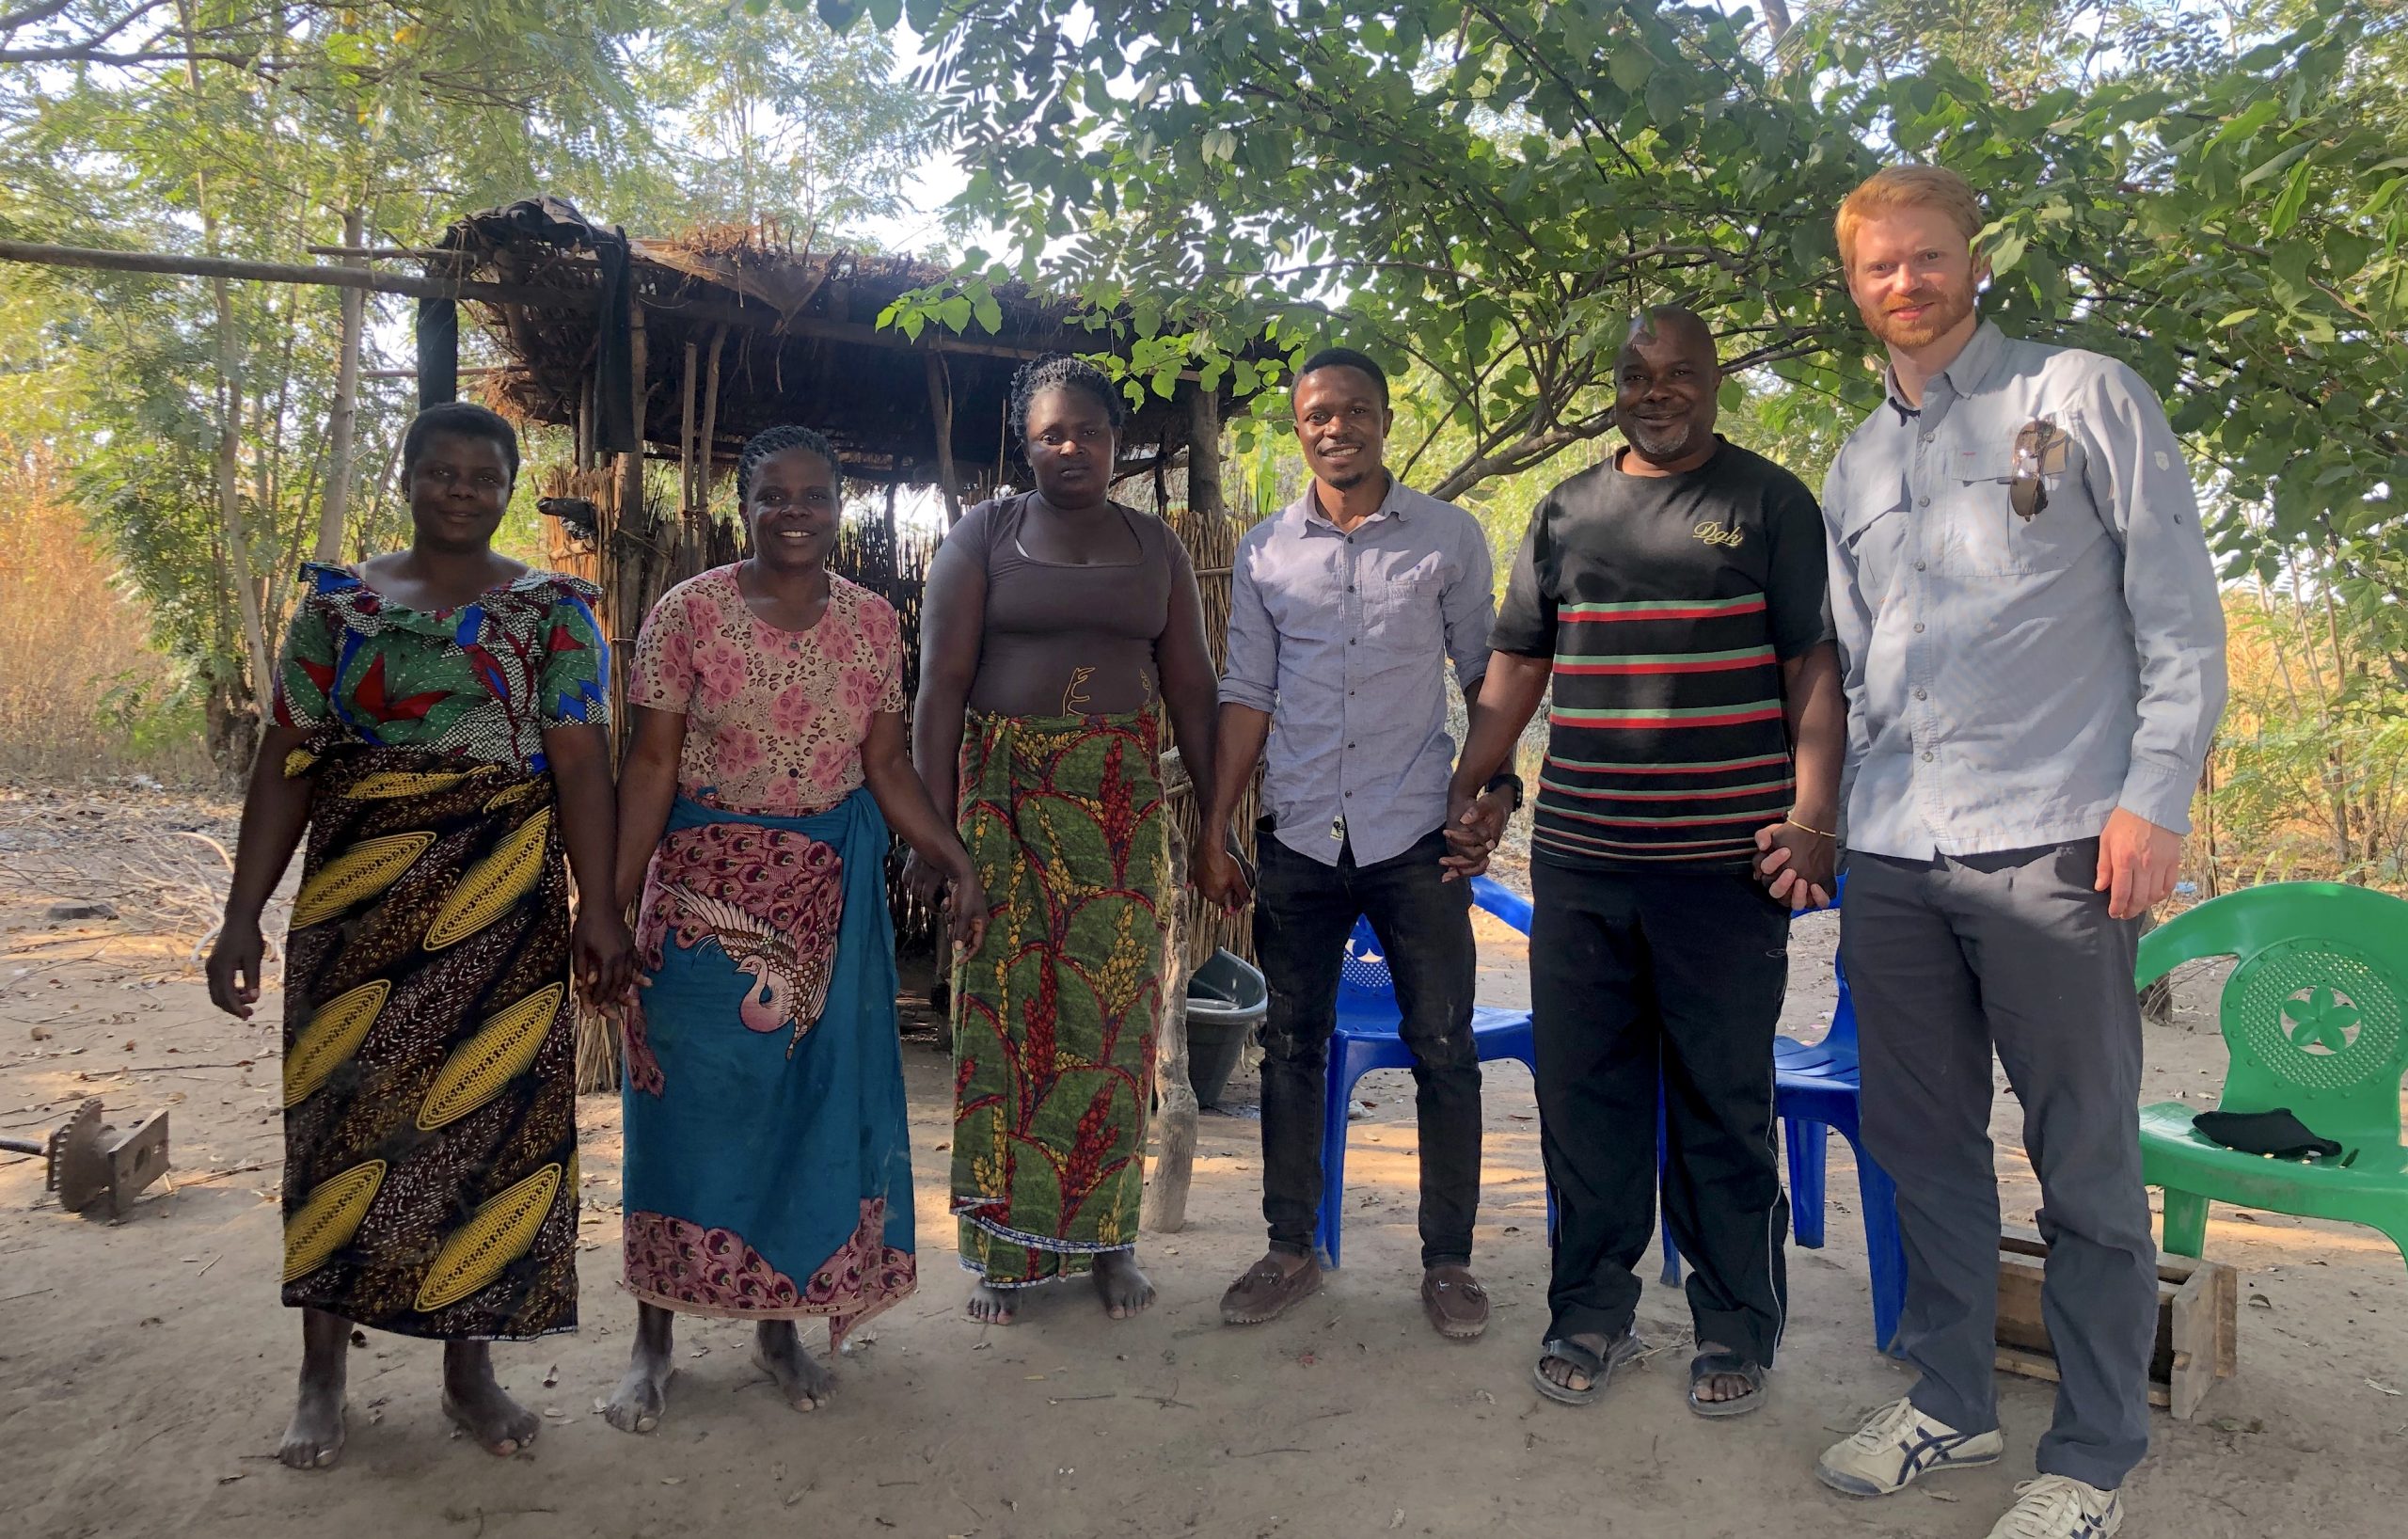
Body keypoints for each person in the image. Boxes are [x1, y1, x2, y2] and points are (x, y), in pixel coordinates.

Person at [1807, 167, 2226, 1539]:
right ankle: (1950, 1397)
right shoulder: (1855, 463)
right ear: (1854, 283)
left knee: (2087, 1155)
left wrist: (2152, 800)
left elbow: (2178, 617)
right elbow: (1862, 670)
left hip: (2056, 838)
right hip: (1897, 851)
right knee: (1920, 1141)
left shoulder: (2085, 396)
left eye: (1929, 258)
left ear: (1976, 263)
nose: (1906, 283)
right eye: (1881, 266)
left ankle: (2095, 1451)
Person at [205, 402, 629, 1469]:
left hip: (501, 907)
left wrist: (602, 908)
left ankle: (469, 1371)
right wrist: (239, 913)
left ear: (506, 488)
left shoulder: (552, 613)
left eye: (481, 475)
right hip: (358, 906)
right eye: (439, 470)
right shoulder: (338, 611)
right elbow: (285, 762)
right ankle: (321, 1372)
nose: (459, 490)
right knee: (341, 1127)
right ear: (405, 476)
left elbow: (581, 765)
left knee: (485, 1131)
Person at [1450, 308, 1844, 1418]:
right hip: (1582, 860)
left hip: (1725, 866)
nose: (1654, 390)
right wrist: (1471, 788)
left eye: (1676, 373)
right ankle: (1589, 1306)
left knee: (1724, 1098)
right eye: (1633, 373)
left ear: (1714, 381)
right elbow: (1517, 667)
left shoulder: (1769, 503)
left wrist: (1815, 810)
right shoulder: (1568, 510)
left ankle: (1734, 1323)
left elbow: (1811, 662)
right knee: (1587, 1098)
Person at [600, 425, 989, 1434]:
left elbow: (887, 768)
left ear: (840, 505)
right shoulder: (685, 615)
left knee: (799, 1113)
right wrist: (608, 900)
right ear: (744, 503)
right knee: (681, 1106)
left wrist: (954, 858)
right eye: (773, 495)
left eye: (814, 495)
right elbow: (647, 766)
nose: (795, 513)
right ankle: (653, 1338)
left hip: (823, 900)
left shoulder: (871, 623)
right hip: (694, 901)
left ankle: (778, 1320)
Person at [1194, 347, 1510, 1338]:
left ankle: (1448, 1263)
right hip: (1299, 835)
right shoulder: (1264, 551)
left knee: (1443, 1047)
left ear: (1383, 419)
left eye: (1355, 411)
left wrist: (1491, 790)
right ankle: (1291, 1248)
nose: (1336, 428)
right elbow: (1246, 692)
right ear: (1299, 427)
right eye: (1317, 415)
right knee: (1289, 1044)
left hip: (1413, 830)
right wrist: (1216, 823)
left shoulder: (1447, 539)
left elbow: (1486, 680)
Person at [909, 355, 1221, 1325]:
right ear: (1025, 442)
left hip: (1117, 806)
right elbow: (938, 691)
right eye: (1050, 432)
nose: (1070, 446)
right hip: (1002, 798)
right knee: (1003, 1017)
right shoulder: (984, 535)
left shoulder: (1155, 549)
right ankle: (1004, 1253)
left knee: (1111, 1021)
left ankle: (1108, 1242)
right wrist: (934, 834)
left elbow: (1194, 694)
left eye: (1086, 430)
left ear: (1115, 441)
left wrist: (1216, 823)